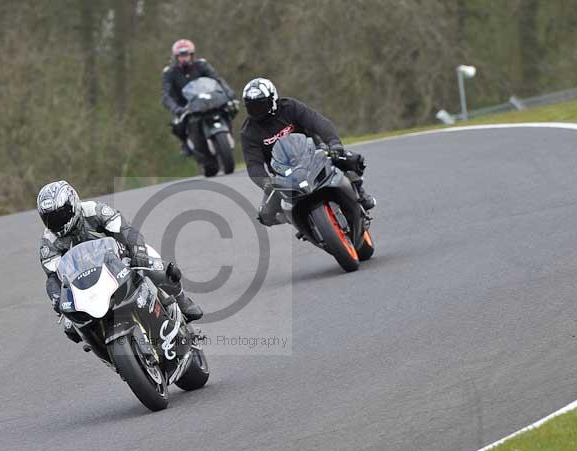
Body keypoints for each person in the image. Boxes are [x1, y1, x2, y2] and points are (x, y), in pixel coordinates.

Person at [37, 181, 203, 342]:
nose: (56, 223)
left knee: (163, 270)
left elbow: (126, 231)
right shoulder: (49, 242)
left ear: (73, 204)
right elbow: (53, 277)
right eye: (49, 219)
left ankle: (182, 303)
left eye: (60, 215)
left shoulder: (95, 210)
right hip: (85, 284)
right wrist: (57, 299)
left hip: (121, 261)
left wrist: (138, 251)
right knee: (71, 327)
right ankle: (105, 348)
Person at [239, 78, 376, 226]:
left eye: (260, 105)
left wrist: (334, 143)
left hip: (314, 154)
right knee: (266, 215)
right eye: (251, 107)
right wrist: (265, 182)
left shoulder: (290, 107)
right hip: (282, 173)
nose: (257, 111)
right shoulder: (248, 131)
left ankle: (360, 194)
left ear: (273, 99)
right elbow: (253, 164)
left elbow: (318, 122)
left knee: (348, 159)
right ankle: (303, 224)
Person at [161, 38, 237, 156]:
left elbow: (216, 79)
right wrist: (176, 108)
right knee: (177, 126)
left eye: (186, 55)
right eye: (181, 55)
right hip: (184, 106)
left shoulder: (201, 65)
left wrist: (228, 92)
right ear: (176, 57)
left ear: (192, 55)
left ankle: (229, 134)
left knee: (231, 108)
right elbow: (166, 95)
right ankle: (186, 144)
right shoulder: (169, 73)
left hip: (207, 100)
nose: (184, 58)